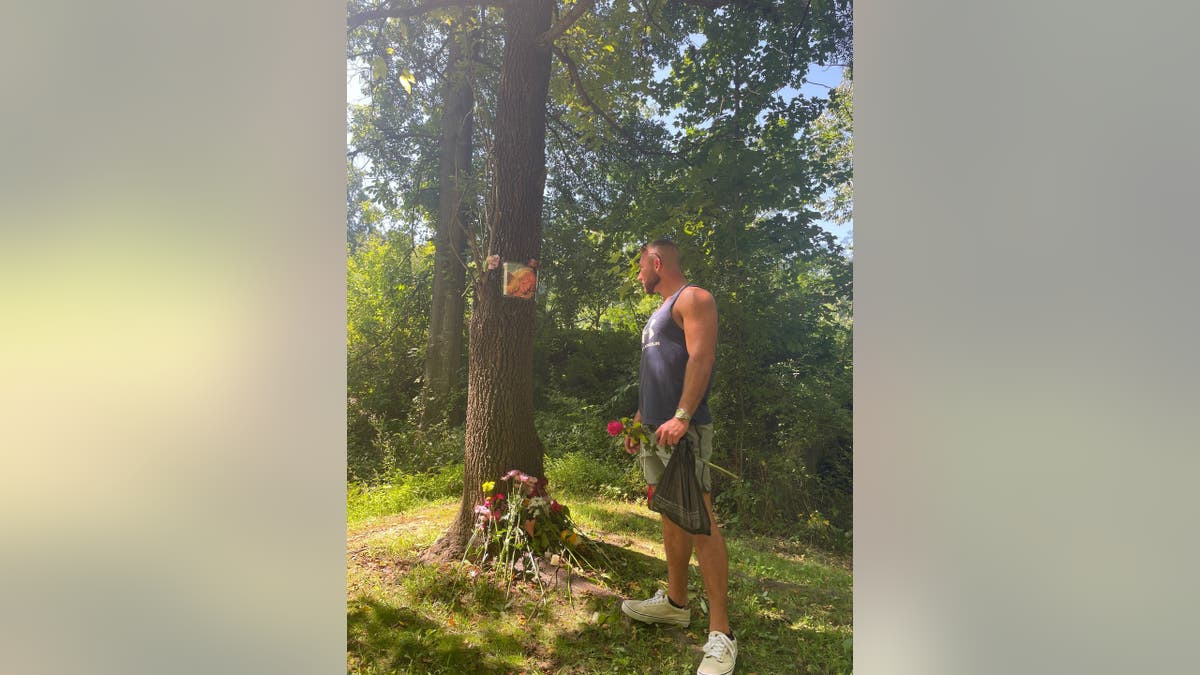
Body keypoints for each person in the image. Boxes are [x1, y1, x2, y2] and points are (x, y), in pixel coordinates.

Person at [620, 239, 737, 675]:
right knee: (671, 512)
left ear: (657, 262)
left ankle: (721, 634)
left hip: (681, 431)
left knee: (699, 517)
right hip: (655, 431)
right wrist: (639, 421)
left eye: (640, 267)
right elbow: (656, 375)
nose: (638, 276)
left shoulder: (695, 298)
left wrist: (683, 416)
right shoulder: (657, 313)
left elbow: (701, 357)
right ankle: (675, 602)